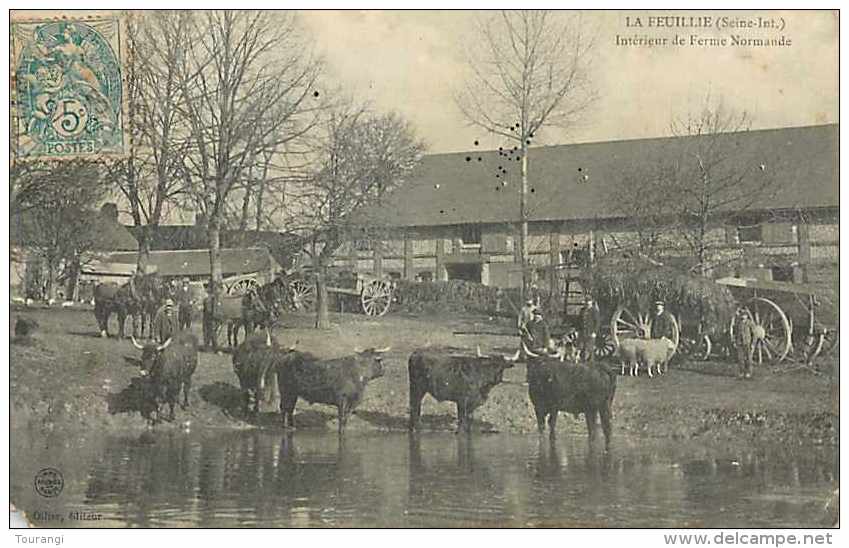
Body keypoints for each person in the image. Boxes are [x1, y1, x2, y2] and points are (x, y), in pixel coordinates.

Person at [577, 296, 601, 363]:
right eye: (586, 301)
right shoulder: (582, 310)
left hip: (590, 332)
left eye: (589, 301)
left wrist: (594, 332)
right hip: (582, 332)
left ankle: (591, 364)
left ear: (591, 302)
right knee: (581, 347)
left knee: (590, 349)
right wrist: (578, 330)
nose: (587, 303)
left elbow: (597, 323)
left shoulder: (594, 311)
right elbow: (579, 321)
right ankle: (583, 363)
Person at [735, 309, 756, 379]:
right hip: (739, 343)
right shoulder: (738, 323)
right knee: (740, 358)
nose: (743, 316)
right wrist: (736, 342)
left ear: (747, 316)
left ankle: (748, 373)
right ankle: (741, 372)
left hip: (747, 343)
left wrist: (753, 343)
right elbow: (736, 333)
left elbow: (754, 334)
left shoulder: (750, 323)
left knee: (748, 359)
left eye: (745, 315)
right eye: (742, 315)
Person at [202, 284, 216, 349]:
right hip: (206, 316)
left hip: (210, 316)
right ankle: (207, 346)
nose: (205, 290)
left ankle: (214, 346)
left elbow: (213, 308)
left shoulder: (212, 298)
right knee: (206, 331)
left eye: (206, 288)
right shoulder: (206, 298)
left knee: (211, 331)